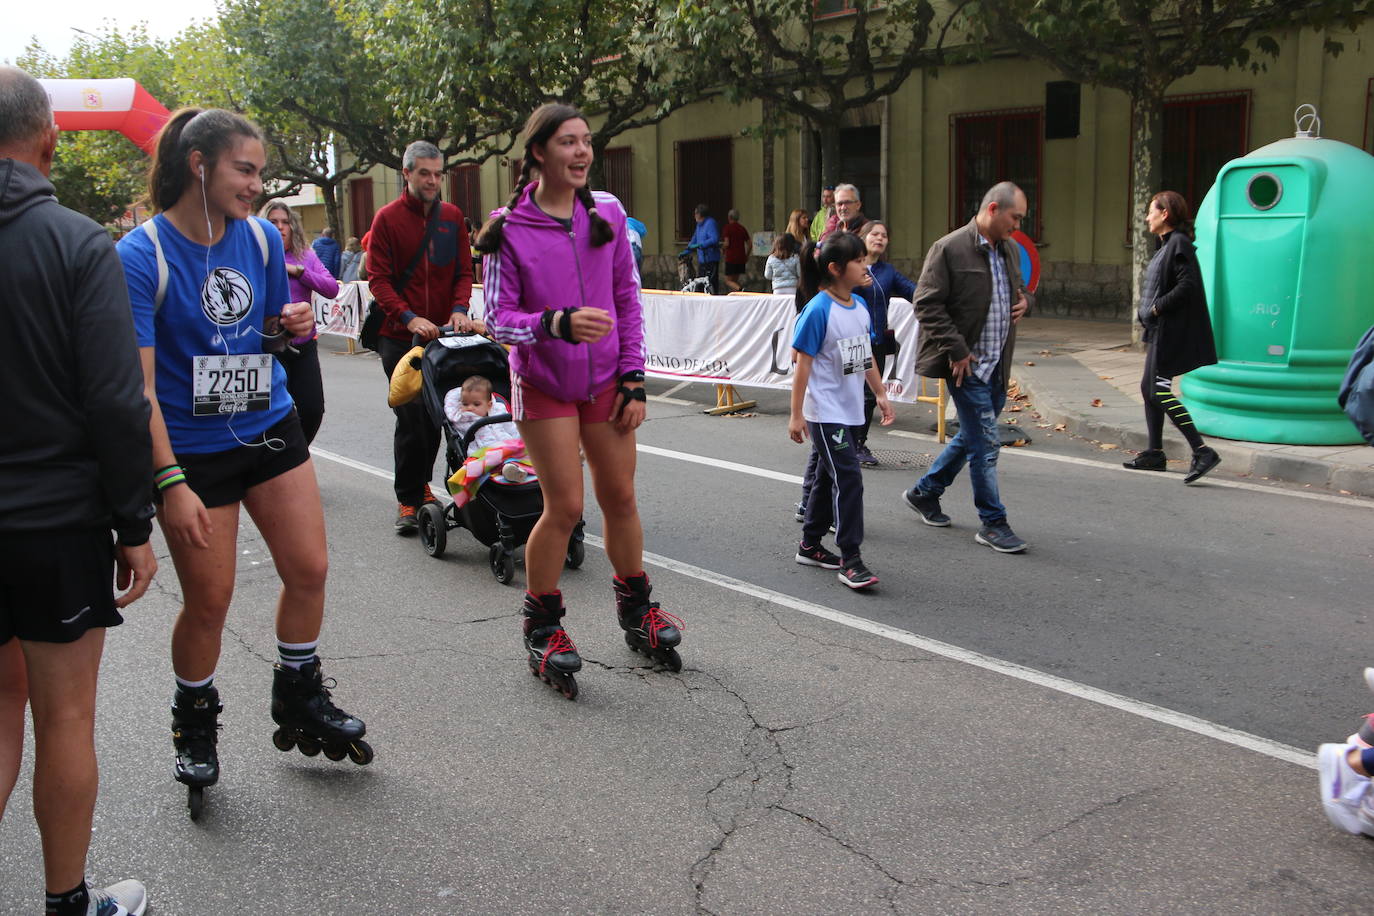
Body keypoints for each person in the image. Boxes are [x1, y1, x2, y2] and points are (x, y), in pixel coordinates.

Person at [116, 107, 371, 815]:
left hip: (267, 422)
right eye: (246, 170)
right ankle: (194, 721)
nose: (258, 187)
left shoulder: (259, 239)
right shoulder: (142, 256)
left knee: (310, 568)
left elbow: (253, 334)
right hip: (192, 452)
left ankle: (298, 695)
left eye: (260, 172)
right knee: (210, 601)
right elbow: (138, 390)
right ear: (199, 165)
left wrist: (288, 326)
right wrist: (168, 483)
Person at [0, 64, 155, 916]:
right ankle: (68, 905)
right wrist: (134, 520)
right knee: (64, 718)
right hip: (55, 523)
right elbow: (113, 398)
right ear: (50, 141)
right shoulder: (74, 241)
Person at [479, 102, 682, 699]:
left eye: (587, 141)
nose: (582, 152)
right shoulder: (508, 226)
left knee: (619, 495)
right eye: (568, 142)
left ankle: (637, 609)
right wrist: (557, 324)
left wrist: (634, 378)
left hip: (605, 382)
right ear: (539, 152)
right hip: (542, 381)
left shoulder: (609, 214)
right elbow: (498, 319)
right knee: (564, 506)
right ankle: (543, 625)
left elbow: (627, 298)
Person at [901, 181, 1032, 554]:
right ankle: (993, 522)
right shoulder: (949, 248)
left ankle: (925, 492)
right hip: (967, 367)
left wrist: (1028, 302)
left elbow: (1019, 290)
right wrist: (957, 351)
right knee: (986, 445)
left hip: (997, 366)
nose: (1017, 226)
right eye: (1015, 217)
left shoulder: (1007, 249)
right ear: (993, 209)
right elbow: (926, 304)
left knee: (972, 436)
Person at [367, 140, 475, 532]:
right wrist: (410, 318)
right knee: (413, 416)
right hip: (400, 336)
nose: (432, 180)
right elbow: (377, 279)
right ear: (407, 173)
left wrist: (460, 308)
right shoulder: (387, 219)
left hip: (446, 335)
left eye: (437, 173)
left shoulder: (452, 217)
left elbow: (465, 270)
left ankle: (460, 488)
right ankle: (410, 498)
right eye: (424, 173)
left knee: (451, 414)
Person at [789, 232, 895, 590]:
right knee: (849, 477)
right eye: (859, 260)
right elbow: (801, 366)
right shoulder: (818, 310)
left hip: (849, 410)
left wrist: (879, 393)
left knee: (824, 476)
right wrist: (796, 414)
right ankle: (851, 558)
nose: (866, 266)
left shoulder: (860, 308)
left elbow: (862, 358)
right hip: (825, 411)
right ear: (836, 268)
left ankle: (810, 544)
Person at [1123, 190, 1221, 483]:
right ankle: (1154, 453)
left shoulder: (1178, 243)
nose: (1146, 217)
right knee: (1148, 388)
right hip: (1158, 330)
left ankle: (1202, 450)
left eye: (1150, 211)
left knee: (1158, 391)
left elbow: (1187, 284)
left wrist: (1155, 308)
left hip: (1168, 330)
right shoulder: (1167, 244)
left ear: (1165, 214)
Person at [260, 201, 338, 443]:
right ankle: (280, 464)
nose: (281, 228)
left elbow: (331, 288)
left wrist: (297, 271)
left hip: (303, 346)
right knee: (271, 414)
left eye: (285, 222)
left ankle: (295, 456)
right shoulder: (254, 256)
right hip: (268, 348)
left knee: (312, 410)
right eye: (273, 222)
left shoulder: (305, 256)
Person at [854, 220, 917, 467]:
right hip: (853, 342)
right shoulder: (852, 267)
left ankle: (858, 443)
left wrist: (937, 297)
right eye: (874, 234)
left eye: (884, 235)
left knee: (869, 396)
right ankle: (841, 441)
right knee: (851, 393)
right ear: (863, 237)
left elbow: (913, 291)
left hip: (877, 341)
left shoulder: (888, 271)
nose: (880, 238)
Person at [442, 376, 533, 507]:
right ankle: (508, 470)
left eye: (476, 404)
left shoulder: (498, 412)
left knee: (522, 449)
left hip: (506, 447)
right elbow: (454, 411)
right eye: (465, 404)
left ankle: (517, 469)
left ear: (489, 405)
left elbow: (512, 429)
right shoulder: (463, 420)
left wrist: (521, 441)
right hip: (484, 453)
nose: (470, 408)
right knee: (490, 461)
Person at [687, 202, 721, 294]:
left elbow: (714, 238)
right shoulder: (699, 225)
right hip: (702, 260)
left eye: (695, 213)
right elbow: (695, 237)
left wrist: (701, 245)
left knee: (710, 283)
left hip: (711, 259)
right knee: (700, 284)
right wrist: (688, 248)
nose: (694, 216)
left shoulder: (710, 223)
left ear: (700, 214)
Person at [721, 208, 750, 292]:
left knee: (728, 280)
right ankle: (736, 295)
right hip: (741, 258)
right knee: (735, 281)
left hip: (731, 258)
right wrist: (746, 255)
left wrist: (722, 249)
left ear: (729, 217)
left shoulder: (727, 228)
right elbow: (750, 243)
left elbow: (727, 243)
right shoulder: (742, 228)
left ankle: (741, 289)